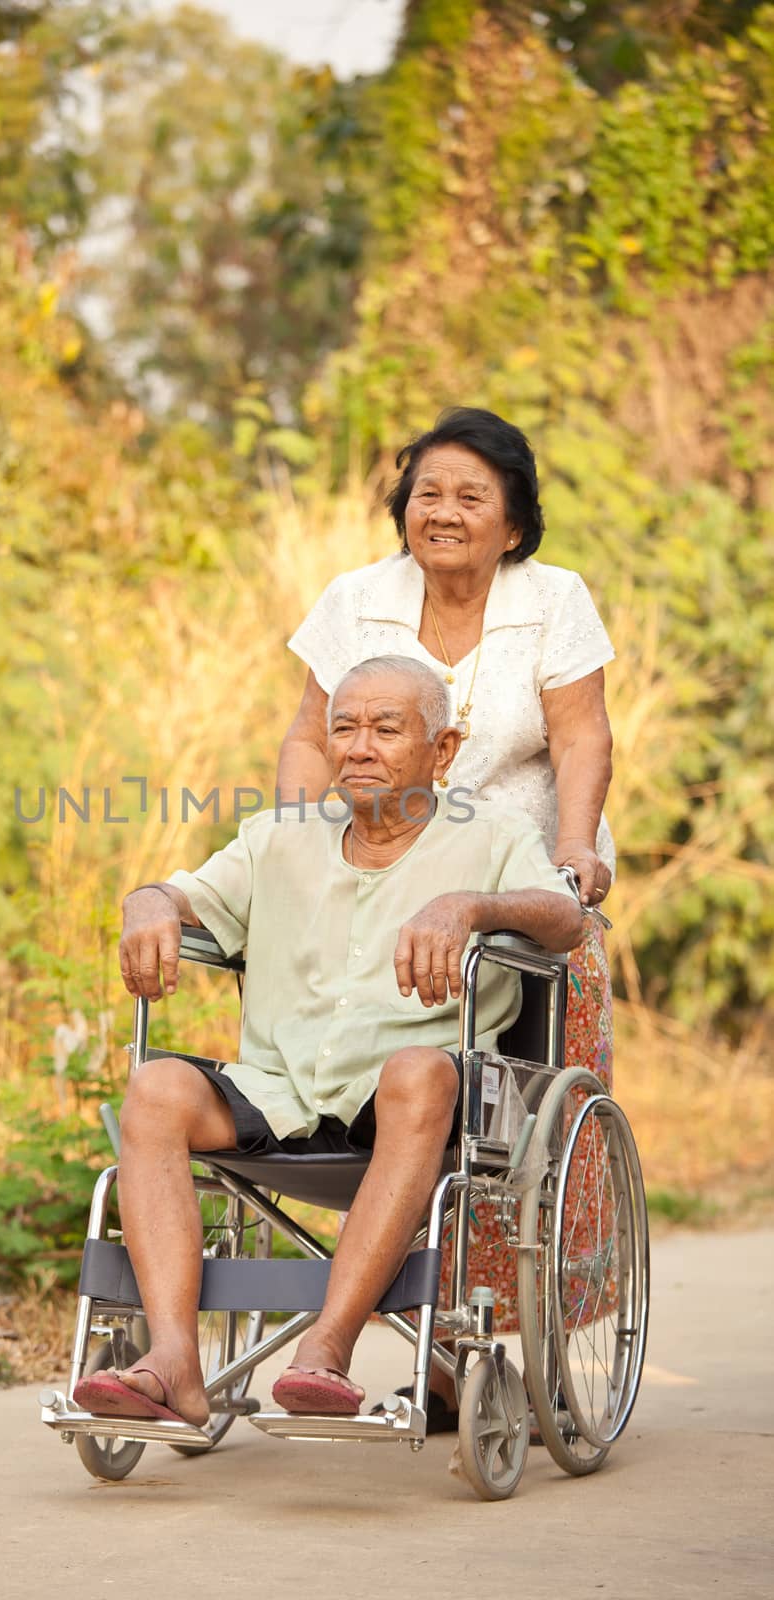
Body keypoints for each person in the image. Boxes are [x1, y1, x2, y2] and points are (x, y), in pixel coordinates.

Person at [74, 657, 583, 1425]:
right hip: (282, 1091)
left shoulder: (493, 838)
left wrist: (470, 908)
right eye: (343, 728)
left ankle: (326, 1349)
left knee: (417, 1070)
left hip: (412, 1105)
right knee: (156, 1087)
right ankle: (172, 1358)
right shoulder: (278, 839)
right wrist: (147, 902)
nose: (358, 747)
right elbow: (182, 894)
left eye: (385, 728)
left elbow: (565, 917)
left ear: (441, 752)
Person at [276, 406, 615, 1364]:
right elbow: (310, 734)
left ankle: (512, 1338)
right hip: (378, 860)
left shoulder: (552, 598)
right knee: (389, 1074)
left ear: (512, 523)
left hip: (513, 864)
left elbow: (580, 734)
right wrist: (298, 844)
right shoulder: (355, 600)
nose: (444, 511)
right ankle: (418, 1330)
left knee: (512, 1113)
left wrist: (576, 846)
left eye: (472, 496)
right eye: (427, 492)